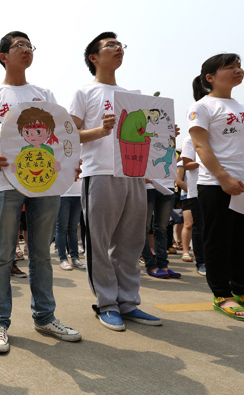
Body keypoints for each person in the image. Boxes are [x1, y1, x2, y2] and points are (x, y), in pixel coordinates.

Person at [0, 31, 81, 354]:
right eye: (19, 45)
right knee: (3, 253)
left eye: (29, 45)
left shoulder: (43, 92)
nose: (26, 50)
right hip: (6, 182)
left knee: (41, 252)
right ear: (4, 55)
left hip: (45, 181)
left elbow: (60, 132)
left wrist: (69, 162)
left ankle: (45, 316)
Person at [69, 32, 162, 332]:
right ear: (94, 58)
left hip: (132, 173)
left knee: (131, 242)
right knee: (100, 240)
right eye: (110, 45)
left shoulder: (132, 97)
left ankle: (128, 302)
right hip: (99, 172)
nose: (118, 48)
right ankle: (106, 304)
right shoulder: (85, 92)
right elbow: (71, 135)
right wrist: (101, 130)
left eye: (120, 45)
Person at [188, 53, 244, 321]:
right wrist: (223, 177)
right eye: (229, 67)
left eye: (239, 66)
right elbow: (200, 146)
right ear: (210, 78)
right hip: (219, 185)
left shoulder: (243, 107)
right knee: (219, 240)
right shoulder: (203, 106)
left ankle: (243, 291)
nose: (237, 71)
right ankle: (222, 294)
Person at [180, 136, 206, 275]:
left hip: (216, 188)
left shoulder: (215, 136)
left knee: (215, 227)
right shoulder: (190, 139)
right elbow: (186, 165)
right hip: (196, 191)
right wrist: (205, 160)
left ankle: (213, 260)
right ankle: (201, 262)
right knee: (199, 227)